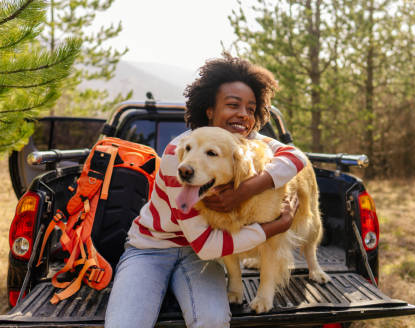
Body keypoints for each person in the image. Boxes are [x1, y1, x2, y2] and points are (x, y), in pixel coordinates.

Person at [104, 55, 308, 328]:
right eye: (233, 105)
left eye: (251, 108)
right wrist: (275, 227)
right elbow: (207, 244)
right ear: (210, 110)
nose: (243, 114)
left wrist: (243, 191)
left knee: (212, 321)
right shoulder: (181, 153)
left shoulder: (248, 143)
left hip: (199, 257)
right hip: (151, 248)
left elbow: (296, 157)